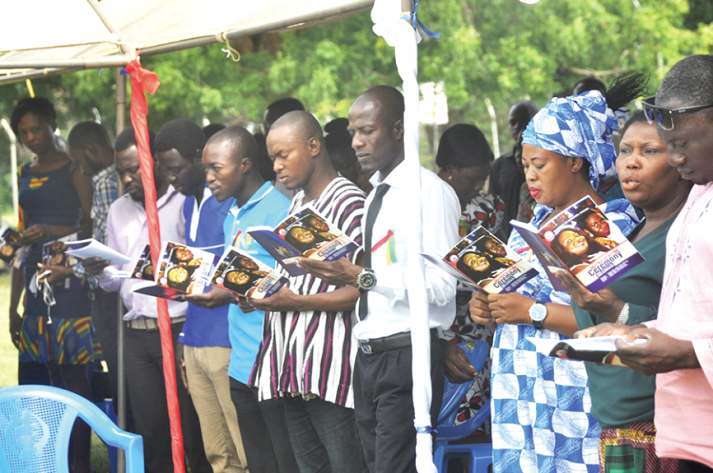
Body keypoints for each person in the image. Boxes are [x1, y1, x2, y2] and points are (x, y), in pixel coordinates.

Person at [470, 73, 646, 472]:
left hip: (573, 403)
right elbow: (509, 297)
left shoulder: (608, 224)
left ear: (573, 161)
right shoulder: (534, 221)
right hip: (521, 398)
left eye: (539, 164)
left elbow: (609, 321)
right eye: (525, 164)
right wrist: (489, 306)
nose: (529, 175)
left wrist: (530, 311)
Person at [297, 86, 460, 473]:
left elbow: (442, 287)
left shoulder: (430, 193)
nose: (355, 142)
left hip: (408, 353)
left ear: (399, 129)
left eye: (367, 131)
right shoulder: (377, 195)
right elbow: (386, 268)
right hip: (370, 355)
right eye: (353, 132)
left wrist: (363, 276)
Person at [582, 55, 713, 471]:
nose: (675, 159)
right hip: (687, 431)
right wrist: (637, 331)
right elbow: (691, 310)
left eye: (680, 144)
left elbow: (693, 341)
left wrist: (686, 353)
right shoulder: (699, 195)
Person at [556, 111, 689, 472]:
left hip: (660, 426)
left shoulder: (686, 236)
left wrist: (617, 310)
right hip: (617, 425)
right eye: (625, 150)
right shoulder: (631, 234)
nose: (631, 162)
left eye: (649, 151)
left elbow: (690, 331)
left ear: (681, 160)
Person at [83, 126, 211, 473]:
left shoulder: (183, 201)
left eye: (132, 169)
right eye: (121, 171)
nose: (126, 179)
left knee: (191, 428)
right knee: (150, 431)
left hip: (179, 326)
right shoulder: (117, 211)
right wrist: (99, 270)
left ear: (151, 161)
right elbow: (114, 283)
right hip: (137, 335)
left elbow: (202, 268)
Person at [247, 110, 367, 473]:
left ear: (314, 146)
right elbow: (298, 279)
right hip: (292, 369)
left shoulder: (349, 203)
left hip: (330, 371)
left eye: (284, 155)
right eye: (272, 159)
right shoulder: (297, 204)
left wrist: (293, 302)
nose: (277, 167)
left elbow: (361, 289)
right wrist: (259, 292)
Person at [183, 126, 299, 473]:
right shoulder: (234, 214)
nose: (209, 178)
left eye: (216, 168)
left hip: (273, 364)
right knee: (258, 462)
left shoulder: (280, 210)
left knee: (283, 463)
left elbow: (295, 281)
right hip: (240, 361)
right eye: (206, 169)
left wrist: (234, 293)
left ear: (245, 164)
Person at [155, 119, 248, 472]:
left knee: (243, 448)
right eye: (164, 169)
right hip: (195, 338)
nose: (170, 178)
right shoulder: (187, 206)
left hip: (226, 340)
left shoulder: (228, 204)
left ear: (199, 158)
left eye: (176, 169)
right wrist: (183, 338)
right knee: (216, 454)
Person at [9, 97, 95, 473]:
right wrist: (15, 305)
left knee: (73, 378)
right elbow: (20, 245)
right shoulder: (24, 173)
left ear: (52, 124)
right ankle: (48, 461)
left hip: (69, 282)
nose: (31, 137)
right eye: (23, 132)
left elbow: (92, 226)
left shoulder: (75, 168)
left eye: (36, 129)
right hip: (33, 285)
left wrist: (50, 231)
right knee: (46, 379)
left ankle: (80, 463)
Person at [435, 122, 505, 438]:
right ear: (449, 169)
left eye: (483, 179)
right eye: (472, 179)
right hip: (437, 324)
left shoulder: (488, 209)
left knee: (475, 418)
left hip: (478, 324)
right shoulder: (425, 205)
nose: (479, 186)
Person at [64, 121, 125, 417]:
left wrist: (71, 270)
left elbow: (103, 248)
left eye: (78, 160)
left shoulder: (104, 181)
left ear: (91, 151)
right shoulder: (118, 178)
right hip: (122, 288)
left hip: (109, 291)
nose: (79, 169)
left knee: (119, 372)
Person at [489, 101, 538, 237]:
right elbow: (492, 209)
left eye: (524, 121)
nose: (518, 127)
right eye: (513, 122)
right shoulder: (500, 165)